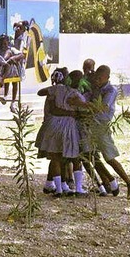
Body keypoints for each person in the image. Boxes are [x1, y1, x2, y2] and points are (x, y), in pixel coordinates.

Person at [38, 68, 89, 197]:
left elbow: (40, 92)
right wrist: (74, 112)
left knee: (55, 157)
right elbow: (84, 110)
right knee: (76, 157)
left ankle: (59, 189)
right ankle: (78, 189)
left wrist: (52, 91)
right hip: (69, 126)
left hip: (53, 125)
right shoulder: (77, 95)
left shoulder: (57, 89)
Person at [88, 65, 130, 199]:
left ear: (107, 77)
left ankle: (129, 184)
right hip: (91, 125)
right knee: (90, 156)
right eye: (96, 77)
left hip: (101, 126)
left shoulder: (110, 90)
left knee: (109, 157)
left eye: (100, 78)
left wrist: (84, 105)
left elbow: (102, 107)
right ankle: (109, 181)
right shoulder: (96, 88)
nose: (97, 80)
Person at [0, 33, 24, 112]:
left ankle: (13, 102)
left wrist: (14, 58)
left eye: (4, 43)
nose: (3, 45)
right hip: (2, 70)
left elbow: (22, 55)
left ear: (8, 42)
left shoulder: (11, 49)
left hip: (11, 71)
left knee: (14, 83)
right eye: (1, 43)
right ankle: (6, 95)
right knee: (6, 79)